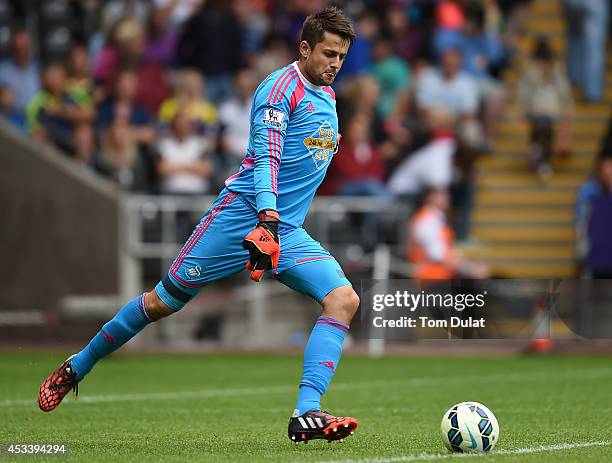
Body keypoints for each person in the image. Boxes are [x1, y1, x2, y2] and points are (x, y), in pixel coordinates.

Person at [38, 7, 360, 446]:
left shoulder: (329, 98)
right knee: (162, 302)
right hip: (242, 217)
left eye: (342, 56)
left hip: (286, 230)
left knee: (343, 299)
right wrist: (266, 218)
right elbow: (267, 156)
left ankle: (306, 413)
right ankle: (78, 366)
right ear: (304, 48)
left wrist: (281, 219)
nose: (335, 64)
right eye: (328, 53)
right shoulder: (279, 90)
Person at [518, 37, 573, 180]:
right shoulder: (530, 72)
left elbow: (564, 93)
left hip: (550, 112)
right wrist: (524, 110)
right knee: (539, 134)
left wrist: (566, 113)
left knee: (544, 135)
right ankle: (539, 158)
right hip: (537, 112)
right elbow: (524, 93)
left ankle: (542, 160)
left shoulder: (557, 71)